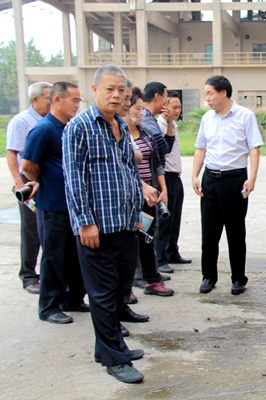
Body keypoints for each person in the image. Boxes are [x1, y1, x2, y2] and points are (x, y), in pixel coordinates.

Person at [62, 65, 145, 383]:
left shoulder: (121, 126)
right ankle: (115, 359)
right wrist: (85, 222)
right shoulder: (79, 127)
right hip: (97, 229)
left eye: (121, 90)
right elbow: (74, 179)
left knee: (121, 290)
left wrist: (137, 213)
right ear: (95, 90)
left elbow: (129, 172)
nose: (116, 95)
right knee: (102, 295)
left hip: (125, 225)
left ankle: (107, 348)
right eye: (110, 89)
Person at [21, 82, 88, 324]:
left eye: (79, 101)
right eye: (74, 100)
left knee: (74, 255)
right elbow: (28, 165)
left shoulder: (69, 128)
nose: (77, 105)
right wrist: (45, 181)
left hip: (72, 204)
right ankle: (49, 306)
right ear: (57, 100)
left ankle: (73, 298)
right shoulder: (44, 130)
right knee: (53, 256)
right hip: (52, 204)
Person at [192, 75, 263, 295]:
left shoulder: (245, 116)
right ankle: (208, 276)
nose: (207, 98)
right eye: (205, 94)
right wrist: (194, 175)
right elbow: (201, 148)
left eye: (210, 93)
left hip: (235, 181)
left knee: (235, 232)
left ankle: (238, 278)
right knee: (209, 233)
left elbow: (254, 148)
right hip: (210, 180)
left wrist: (252, 178)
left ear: (223, 92)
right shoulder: (207, 119)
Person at [126, 86, 174, 298]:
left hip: (150, 194)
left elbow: (157, 162)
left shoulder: (145, 133)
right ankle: (126, 287)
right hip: (130, 195)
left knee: (147, 238)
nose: (141, 113)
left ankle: (152, 280)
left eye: (141, 109)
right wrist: (141, 186)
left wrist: (163, 189)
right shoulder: (117, 135)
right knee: (128, 242)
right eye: (137, 109)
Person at [5, 81, 51, 294]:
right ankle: (28, 275)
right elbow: (12, 152)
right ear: (35, 99)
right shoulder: (21, 121)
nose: (53, 101)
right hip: (28, 179)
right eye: (48, 98)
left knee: (48, 228)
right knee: (31, 228)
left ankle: (47, 274)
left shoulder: (53, 119)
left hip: (47, 178)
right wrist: (19, 183)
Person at [156, 92, 191, 272]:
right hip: (166, 177)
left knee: (175, 219)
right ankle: (160, 258)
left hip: (176, 176)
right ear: (165, 107)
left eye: (179, 107)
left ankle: (172, 252)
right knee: (165, 220)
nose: (177, 111)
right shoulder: (160, 125)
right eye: (174, 107)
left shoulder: (173, 125)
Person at [141, 81, 175, 169]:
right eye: (166, 97)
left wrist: (169, 121)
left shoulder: (148, 117)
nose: (167, 102)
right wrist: (169, 123)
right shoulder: (146, 119)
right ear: (157, 97)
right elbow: (164, 148)